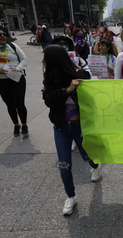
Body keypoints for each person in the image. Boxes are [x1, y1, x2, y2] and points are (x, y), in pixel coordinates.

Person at [42, 45, 101, 215]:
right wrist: (68, 90)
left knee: (87, 155)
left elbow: (92, 99)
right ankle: (71, 196)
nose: (43, 61)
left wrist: (88, 125)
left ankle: (95, 166)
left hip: (80, 127)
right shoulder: (49, 78)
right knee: (64, 164)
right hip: (60, 128)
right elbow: (48, 99)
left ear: (55, 60)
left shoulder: (79, 75)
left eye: (45, 57)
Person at [0, 26, 29, 137]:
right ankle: (16, 125)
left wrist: (18, 68)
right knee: (10, 104)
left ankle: (24, 124)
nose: (2, 36)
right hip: (2, 81)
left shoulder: (12, 46)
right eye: (0, 35)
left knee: (19, 103)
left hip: (17, 79)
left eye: (3, 34)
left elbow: (24, 59)